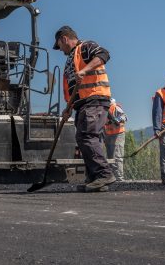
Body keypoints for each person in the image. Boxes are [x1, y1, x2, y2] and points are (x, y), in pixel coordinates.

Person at [53, 25, 116, 192]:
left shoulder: (85, 47)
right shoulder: (70, 59)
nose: (59, 49)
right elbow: (73, 88)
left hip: (95, 99)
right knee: (82, 138)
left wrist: (85, 70)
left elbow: (104, 54)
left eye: (58, 45)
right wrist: (68, 108)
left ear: (64, 39)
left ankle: (104, 174)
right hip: (82, 104)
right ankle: (95, 179)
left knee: (87, 136)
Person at [104, 98, 127, 182]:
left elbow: (124, 116)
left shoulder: (114, 107)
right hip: (108, 135)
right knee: (110, 157)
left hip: (118, 134)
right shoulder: (104, 109)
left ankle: (119, 178)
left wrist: (116, 119)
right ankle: (112, 177)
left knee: (117, 156)